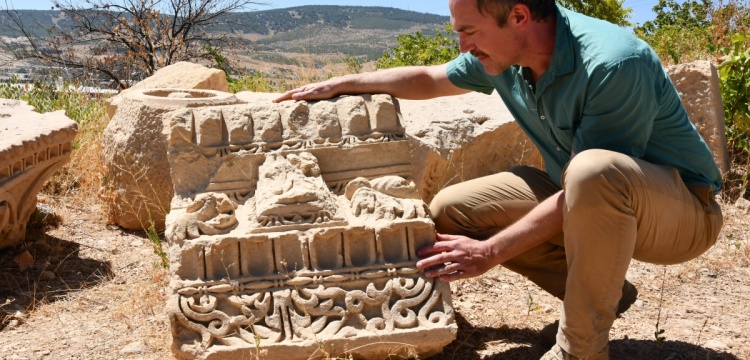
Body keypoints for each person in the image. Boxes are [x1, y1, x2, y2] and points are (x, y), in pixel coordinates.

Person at [274, 0, 724, 358]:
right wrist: (344, 84)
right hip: (588, 194)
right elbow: (431, 79)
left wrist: (491, 252)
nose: (463, 44)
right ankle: (603, 291)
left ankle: (580, 349)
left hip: (682, 211)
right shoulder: (508, 54)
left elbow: (593, 184)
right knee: (452, 209)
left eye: (469, 30)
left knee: (593, 171)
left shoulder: (611, 63)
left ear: (519, 17)